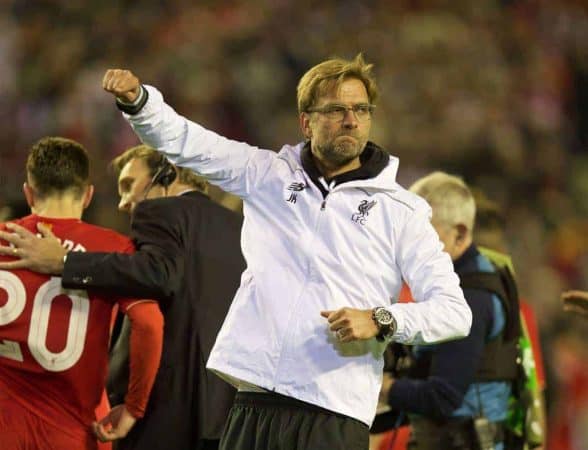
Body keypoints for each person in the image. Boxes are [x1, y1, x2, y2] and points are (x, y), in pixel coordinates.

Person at [2, 54, 472, 450]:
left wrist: (383, 319)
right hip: (253, 398)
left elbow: (454, 313)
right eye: (336, 109)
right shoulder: (268, 175)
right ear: (306, 121)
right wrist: (139, 103)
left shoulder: (403, 211)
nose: (350, 119)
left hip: (336, 410)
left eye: (360, 109)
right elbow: (189, 143)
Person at [0, 144, 245, 450]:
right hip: (228, 411)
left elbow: (156, 288)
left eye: (129, 186)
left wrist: (65, 262)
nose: (124, 203)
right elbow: (151, 319)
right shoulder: (240, 228)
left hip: (160, 414)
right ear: (88, 195)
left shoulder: (154, 216)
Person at [0, 137, 163, 450]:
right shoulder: (113, 250)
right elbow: (149, 324)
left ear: (28, 192)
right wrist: (134, 407)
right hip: (74, 432)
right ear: (88, 195)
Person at [378, 172, 512, 450]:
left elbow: (442, 396)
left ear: (460, 234)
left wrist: (377, 386)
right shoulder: (455, 284)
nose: (410, 243)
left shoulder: (472, 298)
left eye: (423, 233)